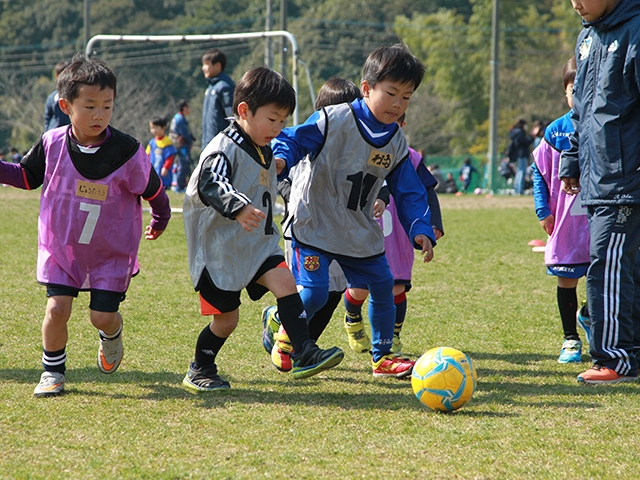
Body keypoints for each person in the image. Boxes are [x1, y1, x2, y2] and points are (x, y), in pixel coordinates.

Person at [0, 54, 171, 397]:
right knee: (56, 308)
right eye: (90, 106)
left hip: (110, 251)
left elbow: (154, 189)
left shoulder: (127, 150)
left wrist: (161, 217)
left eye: (107, 106)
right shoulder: (52, 144)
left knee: (101, 317)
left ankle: (112, 331)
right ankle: (53, 372)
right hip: (62, 248)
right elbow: (25, 176)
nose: (99, 115)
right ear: (66, 105)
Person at [267, 44, 436, 379]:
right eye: (391, 94)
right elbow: (293, 138)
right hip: (314, 224)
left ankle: (383, 357)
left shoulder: (396, 141)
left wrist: (420, 226)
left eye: (406, 97)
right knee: (314, 293)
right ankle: (286, 333)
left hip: (358, 230)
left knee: (384, 284)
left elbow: (409, 189)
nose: (398, 104)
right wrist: (281, 160)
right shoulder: (334, 119)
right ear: (367, 88)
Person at [181, 66, 344, 392]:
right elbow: (210, 183)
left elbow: (268, 187)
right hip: (219, 249)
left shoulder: (264, 148)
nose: (279, 127)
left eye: (284, 121)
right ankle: (200, 367)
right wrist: (239, 207)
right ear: (244, 111)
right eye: (273, 119)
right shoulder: (223, 147)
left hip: (256, 243)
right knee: (227, 320)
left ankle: (304, 352)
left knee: (285, 282)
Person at [560, 0, 640, 384]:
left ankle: (615, 358)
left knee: (607, 265)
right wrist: (572, 160)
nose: (576, 2)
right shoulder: (587, 36)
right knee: (625, 267)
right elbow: (582, 113)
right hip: (599, 178)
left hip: (625, 178)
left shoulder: (635, 30)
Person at [262, 78, 363, 361]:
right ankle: (290, 344)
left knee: (334, 292)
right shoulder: (310, 141)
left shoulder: (356, 147)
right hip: (307, 231)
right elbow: (285, 173)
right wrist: (287, 189)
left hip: (341, 234)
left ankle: (296, 337)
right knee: (311, 291)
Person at [340, 112, 445, 356]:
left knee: (397, 286)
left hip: (399, 231)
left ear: (402, 125)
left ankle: (392, 336)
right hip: (367, 230)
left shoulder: (412, 157)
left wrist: (434, 223)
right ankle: (353, 317)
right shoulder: (359, 152)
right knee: (360, 288)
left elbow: (428, 191)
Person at [531, 56, 590, 364]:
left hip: (599, 219)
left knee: (604, 277)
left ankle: (591, 318)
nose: (578, 94)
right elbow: (539, 173)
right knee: (567, 280)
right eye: (572, 88)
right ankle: (570, 340)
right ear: (565, 92)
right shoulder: (556, 131)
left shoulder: (608, 126)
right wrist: (543, 210)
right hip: (566, 223)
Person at [201, 48, 235, 149]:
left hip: (220, 145)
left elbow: (232, 117)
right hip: (208, 142)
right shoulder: (211, 87)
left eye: (206, 64)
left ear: (217, 66)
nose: (203, 68)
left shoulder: (224, 87)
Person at [169, 99, 195, 193]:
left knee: (183, 164)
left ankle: (181, 185)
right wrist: (190, 142)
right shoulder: (180, 118)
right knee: (184, 164)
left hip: (180, 145)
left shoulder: (178, 117)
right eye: (188, 107)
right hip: (182, 145)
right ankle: (179, 186)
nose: (189, 109)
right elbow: (184, 133)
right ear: (184, 108)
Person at [508, 119, 538, 195]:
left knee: (519, 171)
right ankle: (519, 189)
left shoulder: (514, 132)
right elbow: (526, 142)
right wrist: (532, 136)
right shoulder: (520, 132)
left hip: (517, 154)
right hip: (522, 154)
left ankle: (517, 188)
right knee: (522, 172)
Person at [146, 116, 178, 189]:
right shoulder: (151, 143)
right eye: (152, 128)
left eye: (156, 127)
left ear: (163, 127)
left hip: (163, 172)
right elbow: (147, 155)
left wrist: (166, 167)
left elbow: (170, 156)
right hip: (153, 171)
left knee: (163, 187)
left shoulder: (167, 142)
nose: (154, 130)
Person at [43, 59, 71, 131]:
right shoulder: (52, 98)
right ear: (57, 76)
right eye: (61, 75)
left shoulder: (76, 97)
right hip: (54, 133)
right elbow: (47, 118)